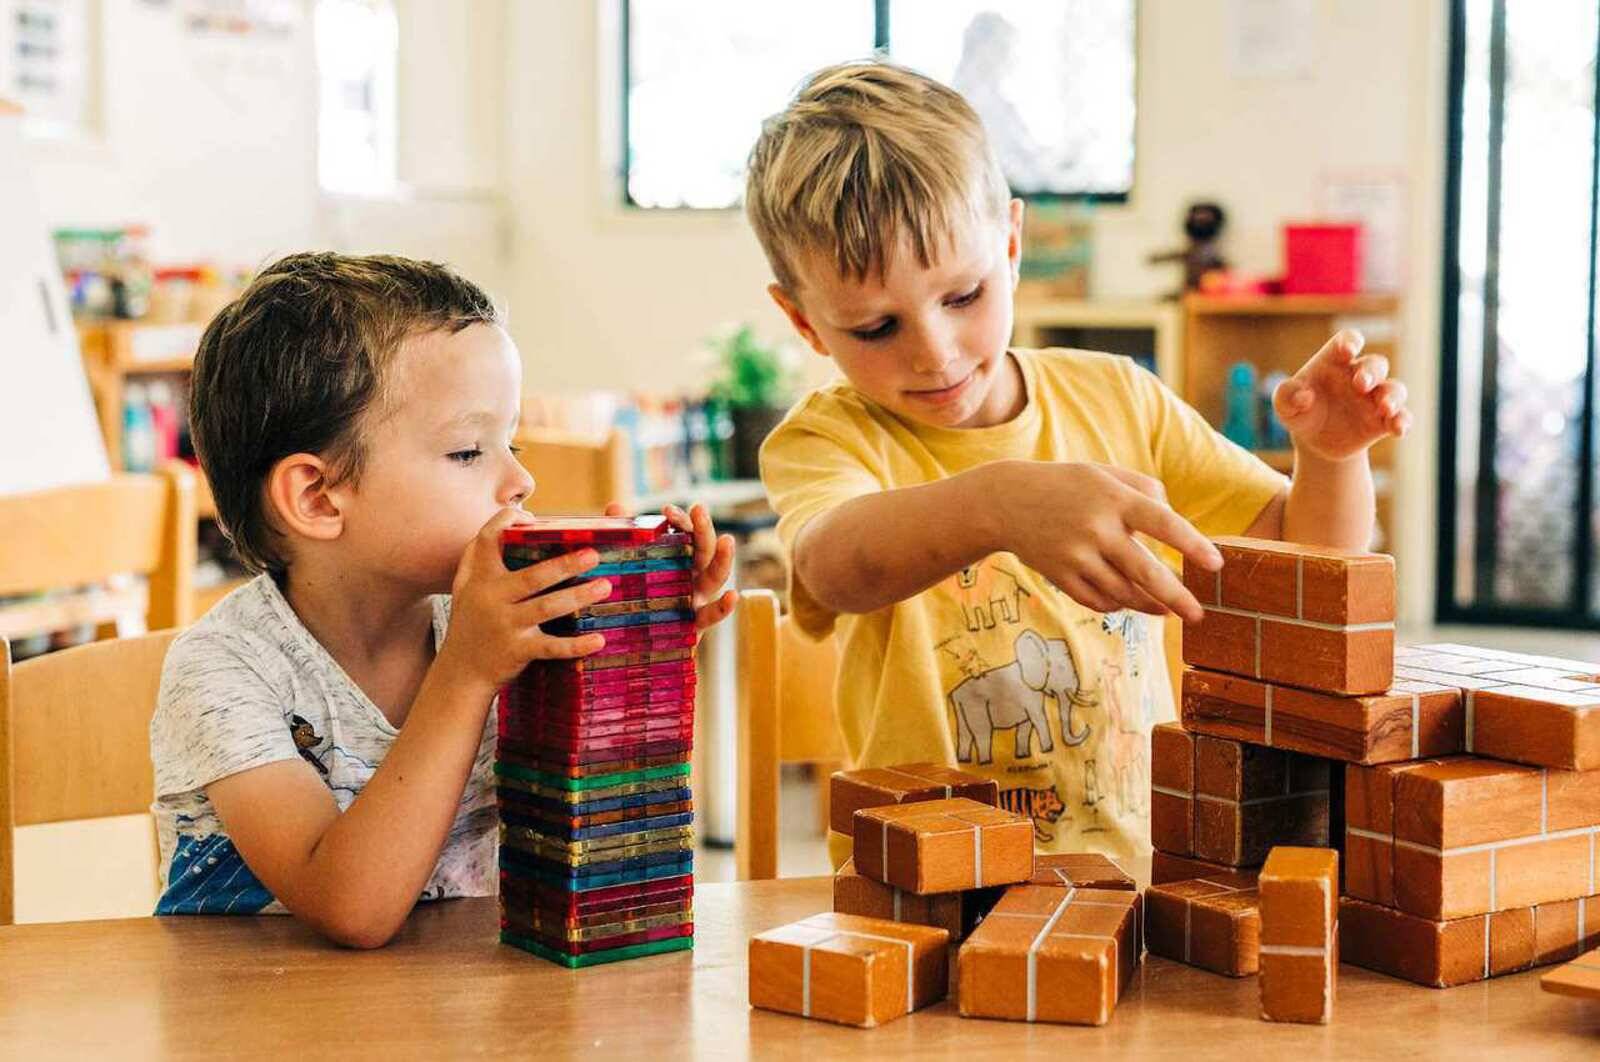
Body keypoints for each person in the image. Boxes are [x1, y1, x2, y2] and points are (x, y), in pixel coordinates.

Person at [746, 62, 1409, 863]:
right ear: (805, 321)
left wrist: (1330, 459)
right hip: (919, 890)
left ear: (1013, 244)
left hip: (1131, 873)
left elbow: (1309, 558)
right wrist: (995, 505)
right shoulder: (831, 437)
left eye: (963, 297)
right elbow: (832, 567)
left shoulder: (1119, 398)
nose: (936, 352)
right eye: (876, 329)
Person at [150, 253, 736, 945]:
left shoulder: (497, 623)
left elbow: (609, 827)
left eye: (509, 441)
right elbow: (352, 909)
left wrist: (639, 626)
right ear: (317, 497)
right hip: (263, 1024)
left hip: (464, 1008)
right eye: (467, 452)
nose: (519, 479)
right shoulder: (223, 670)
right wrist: (466, 670)